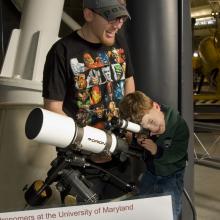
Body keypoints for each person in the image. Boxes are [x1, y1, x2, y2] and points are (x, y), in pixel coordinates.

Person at [42, 0, 135, 202]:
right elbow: (53, 110)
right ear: (88, 14)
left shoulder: (120, 43)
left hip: (120, 158)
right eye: (111, 17)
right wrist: (91, 145)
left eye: (121, 18)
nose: (118, 24)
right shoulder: (62, 51)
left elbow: (129, 83)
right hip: (81, 164)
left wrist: (129, 125)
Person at [119, 91, 189, 220]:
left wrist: (157, 150)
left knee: (170, 213)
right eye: (146, 128)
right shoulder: (148, 126)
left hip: (171, 177)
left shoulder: (179, 125)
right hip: (150, 173)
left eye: (151, 121)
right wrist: (138, 141)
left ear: (156, 106)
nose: (152, 129)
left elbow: (178, 153)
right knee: (143, 208)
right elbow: (141, 149)